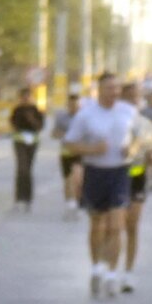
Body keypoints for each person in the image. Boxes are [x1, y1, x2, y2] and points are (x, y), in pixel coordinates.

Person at [61, 70, 140, 298]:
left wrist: (132, 148)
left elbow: (141, 136)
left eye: (116, 88)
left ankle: (111, 275)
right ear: (99, 90)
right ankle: (96, 267)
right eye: (109, 88)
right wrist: (92, 150)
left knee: (116, 226)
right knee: (98, 225)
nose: (113, 92)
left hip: (120, 172)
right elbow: (69, 144)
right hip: (95, 172)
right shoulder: (86, 115)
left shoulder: (128, 111)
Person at [117, 81, 152, 292]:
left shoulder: (146, 124)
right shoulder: (113, 121)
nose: (134, 100)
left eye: (136, 97)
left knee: (132, 225)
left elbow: (151, 153)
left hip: (137, 176)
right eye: (129, 96)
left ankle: (128, 274)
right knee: (115, 226)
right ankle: (110, 269)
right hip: (115, 176)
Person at [8, 86, 45, 211]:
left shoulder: (35, 110)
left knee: (28, 170)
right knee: (21, 168)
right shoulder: (17, 110)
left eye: (27, 96)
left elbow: (40, 126)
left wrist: (31, 119)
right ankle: (19, 198)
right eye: (23, 97)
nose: (25, 99)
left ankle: (28, 198)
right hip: (20, 141)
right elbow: (13, 124)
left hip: (32, 142)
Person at [50, 89, 83, 219]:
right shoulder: (61, 117)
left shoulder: (84, 117)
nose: (73, 107)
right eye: (70, 105)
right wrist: (65, 135)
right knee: (68, 179)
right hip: (66, 152)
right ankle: (70, 203)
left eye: (75, 105)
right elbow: (54, 134)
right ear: (67, 105)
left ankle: (78, 202)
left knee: (78, 178)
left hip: (81, 151)